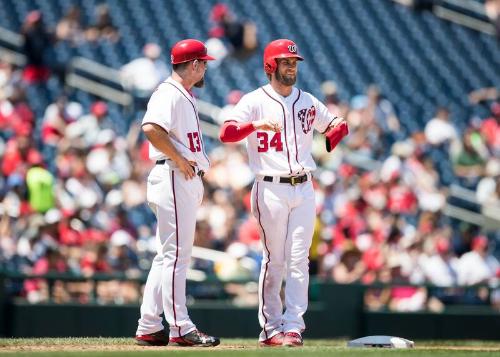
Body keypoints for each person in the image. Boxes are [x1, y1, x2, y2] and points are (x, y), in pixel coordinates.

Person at [219, 39, 348, 347]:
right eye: (285, 62)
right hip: (270, 187)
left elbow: (336, 125)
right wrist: (255, 124)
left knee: (299, 259)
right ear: (269, 66)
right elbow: (226, 133)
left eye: (294, 63)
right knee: (274, 260)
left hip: (304, 186)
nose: (291, 67)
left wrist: (335, 134)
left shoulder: (307, 100)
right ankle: (271, 327)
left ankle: (293, 326)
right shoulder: (253, 101)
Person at [134, 39, 220, 347]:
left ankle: (149, 324)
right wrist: (181, 159)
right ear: (194, 64)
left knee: (166, 256)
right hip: (172, 174)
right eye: (204, 62)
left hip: (180, 177)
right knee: (177, 256)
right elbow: (150, 128)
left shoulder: (185, 94)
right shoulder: (168, 92)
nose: (206, 67)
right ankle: (180, 327)